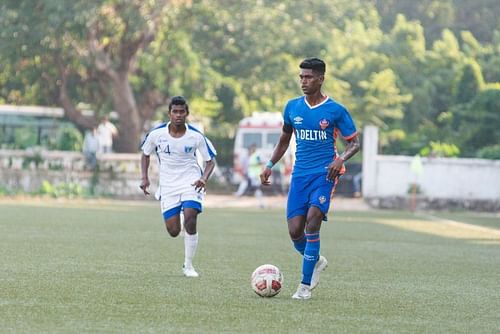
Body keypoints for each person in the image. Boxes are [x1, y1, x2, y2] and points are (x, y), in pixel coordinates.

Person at [260, 58, 360, 300]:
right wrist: (270, 164)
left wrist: (341, 159)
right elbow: (284, 140)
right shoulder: (292, 107)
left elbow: (354, 143)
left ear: (321, 79)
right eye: (301, 77)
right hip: (299, 176)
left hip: (325, 174)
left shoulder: (335, 110)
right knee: (295, 231)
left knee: (312, 222)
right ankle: (315, 260)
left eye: (308, 77)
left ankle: (304, 287)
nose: (303, 81)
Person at [139, 96, 216, 278]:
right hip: (168, 186)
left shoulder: (196, 136)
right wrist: (144, 178)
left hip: (191, 182)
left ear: (187, 113)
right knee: (173, 231)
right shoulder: (157, 134)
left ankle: (188, 265)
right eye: (175, 111)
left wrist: (204, 178)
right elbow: (145, 154)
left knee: (191, 217)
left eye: (182, 112)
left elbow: (210, 161)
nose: (178, 115)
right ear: (169, 113)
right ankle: (180, 217)